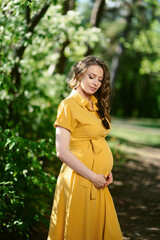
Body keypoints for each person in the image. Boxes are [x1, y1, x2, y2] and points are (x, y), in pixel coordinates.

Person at [47, 56, 123, 240]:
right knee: (80, 232)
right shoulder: (68, 105)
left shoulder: (96, 104)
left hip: (98, 181)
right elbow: (62, 151)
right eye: (91, 76)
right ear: (79, 75)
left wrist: (106, 170)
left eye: (100, 79)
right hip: (79, 180)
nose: (96, 83)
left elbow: (97, 141)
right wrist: (93, 176)